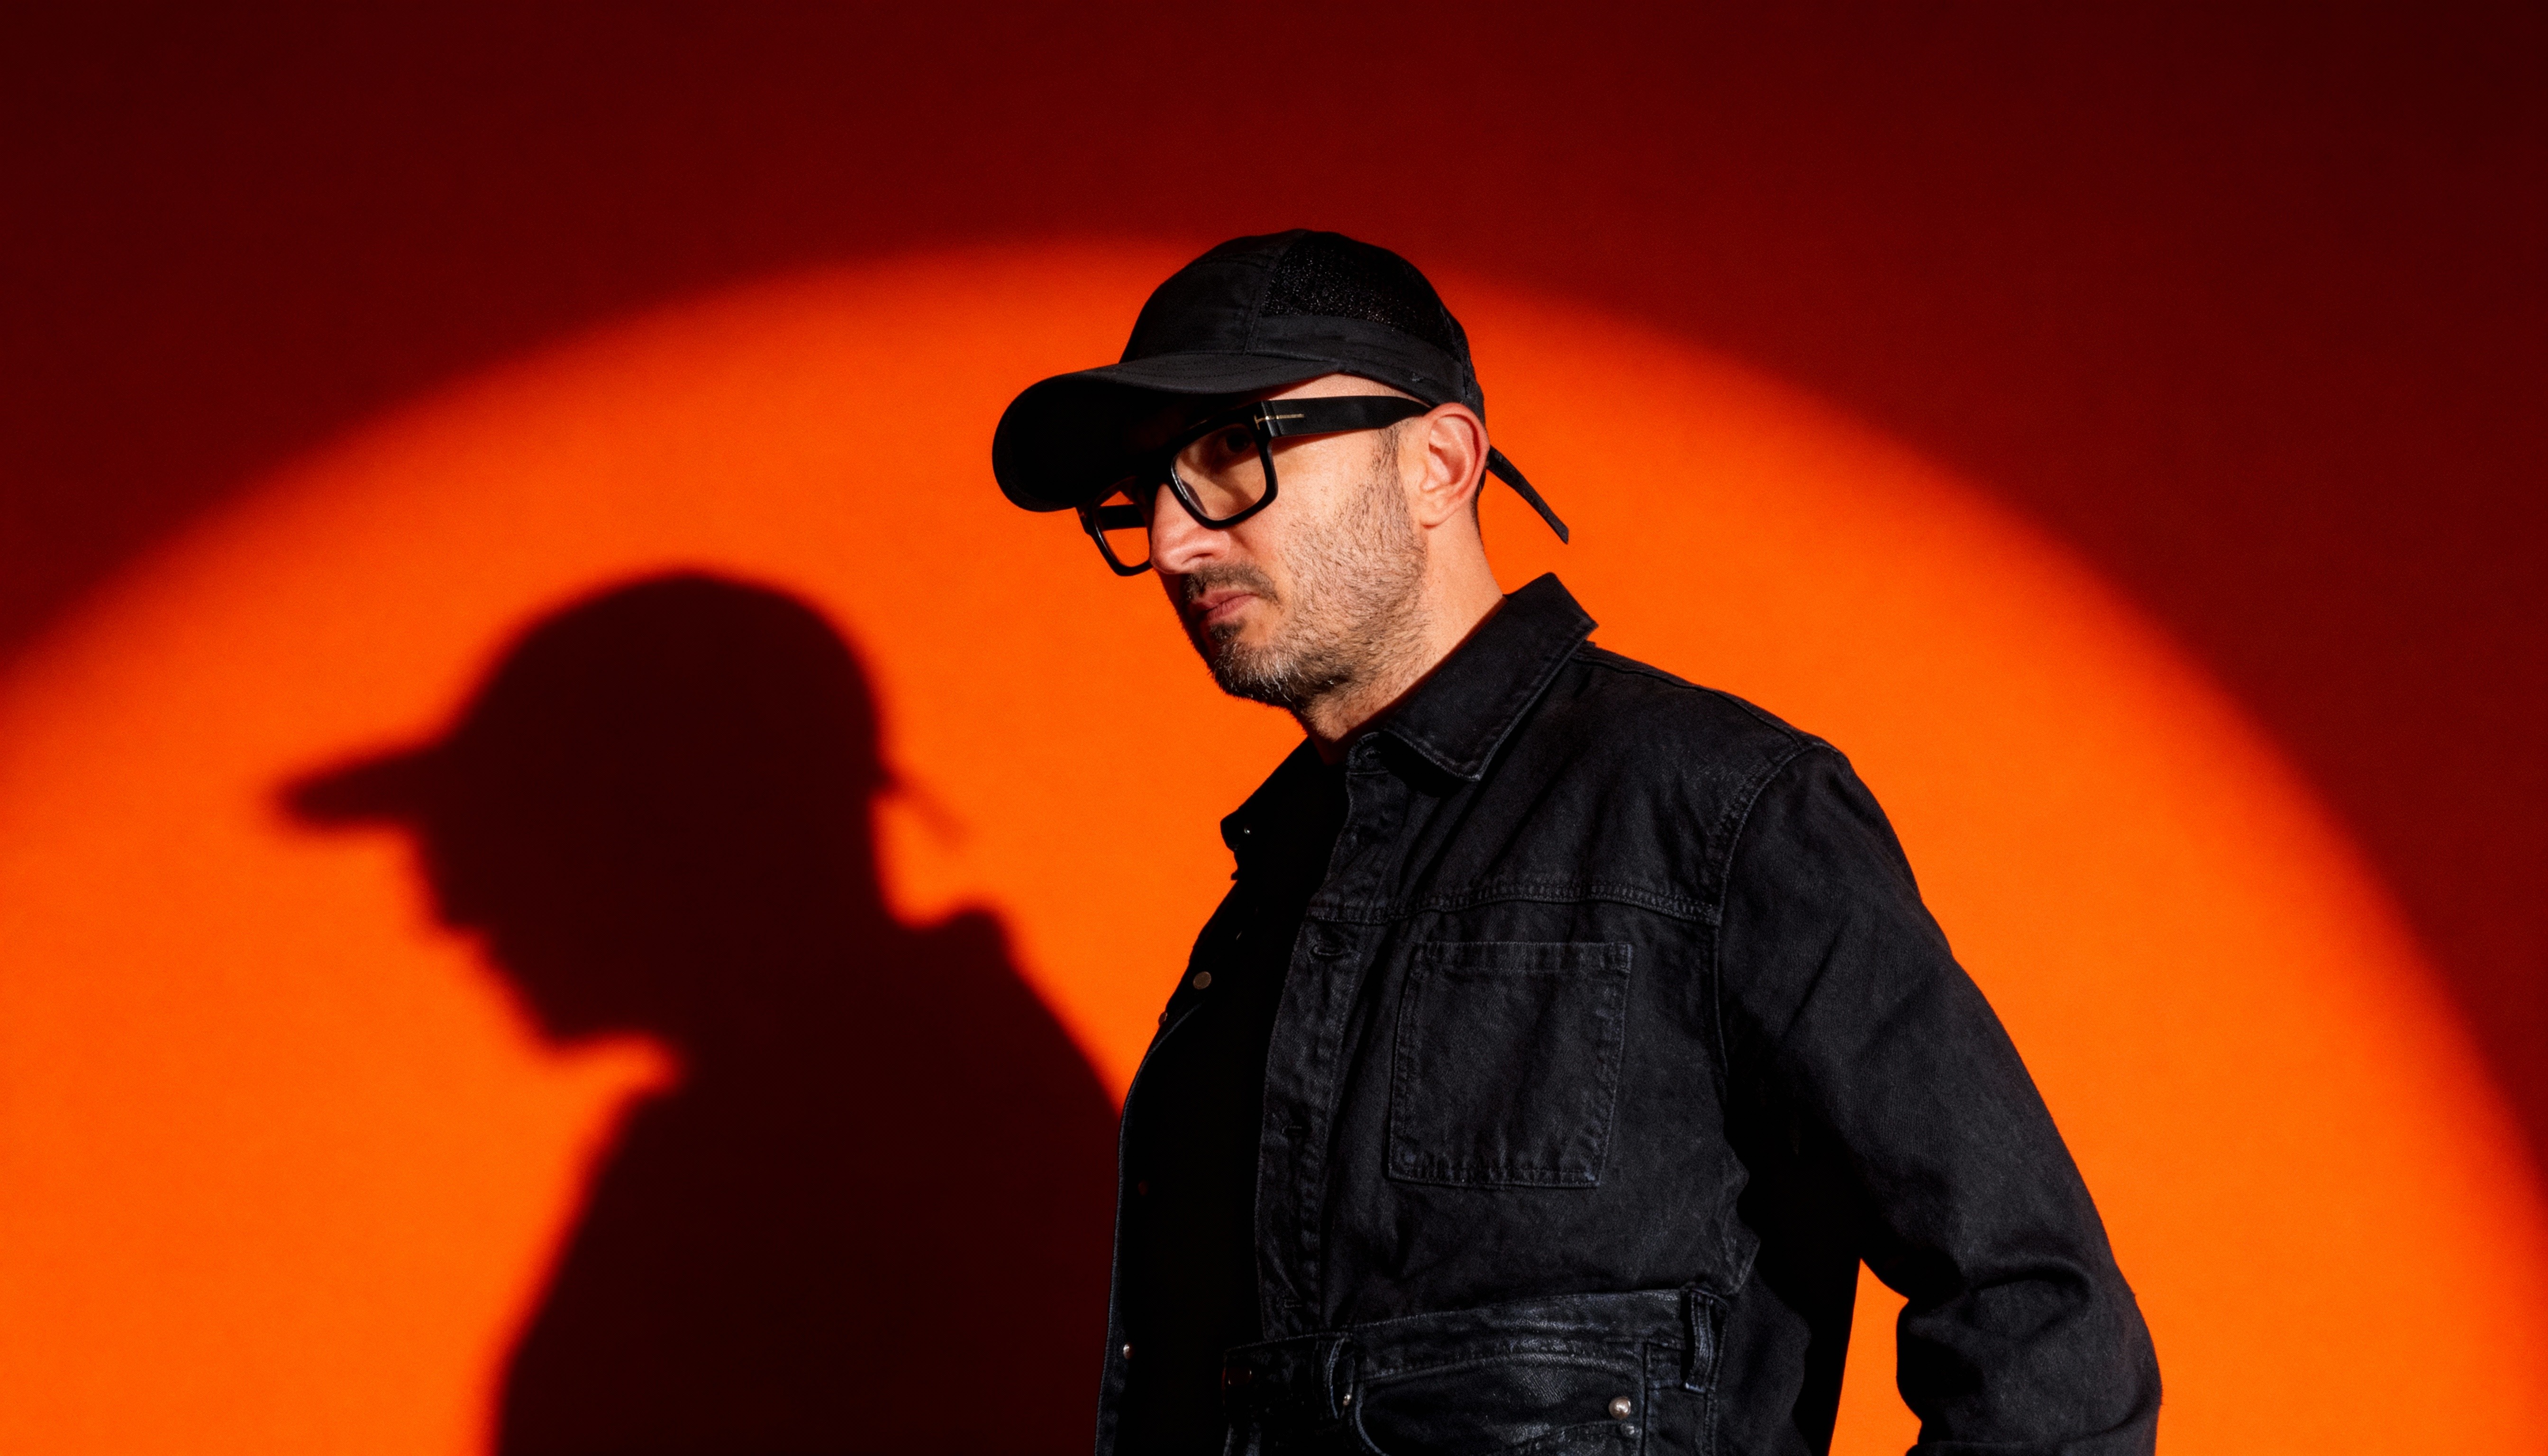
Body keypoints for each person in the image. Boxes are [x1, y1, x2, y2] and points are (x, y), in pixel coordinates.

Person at [990, 231, 2160, 1456]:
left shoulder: (1716, 812)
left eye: (1234, 451)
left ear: (1439, 463)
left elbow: (2046, 1333)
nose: (1176, 542)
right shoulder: (1261, 913)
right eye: (1146, 487)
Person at [286, 573, 1115, 1455]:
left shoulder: (875, 1138)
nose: (456, 912)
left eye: (516, 827)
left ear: (682, 824)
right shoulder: (898, 1100)